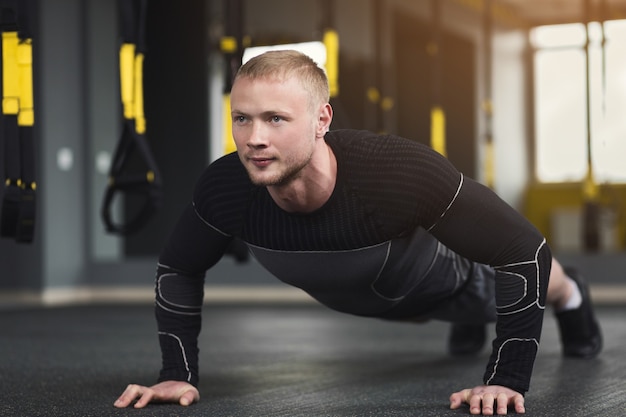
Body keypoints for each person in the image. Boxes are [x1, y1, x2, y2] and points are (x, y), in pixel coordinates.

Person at [114, 50, 602, 415]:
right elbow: (178, 266)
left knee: (497, 287)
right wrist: (176, 374)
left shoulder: (396, 171)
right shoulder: (225, 189)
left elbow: (522, 249)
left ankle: (572, 296)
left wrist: (507, 378)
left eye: (275, 119)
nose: (254, 138)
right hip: (368, 294)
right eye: (242, 118)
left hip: (436, 282)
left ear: (322, 119)